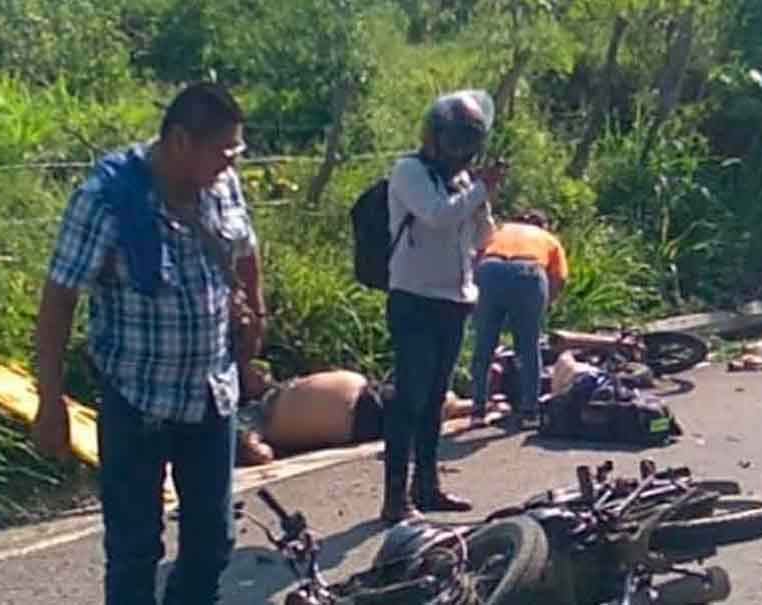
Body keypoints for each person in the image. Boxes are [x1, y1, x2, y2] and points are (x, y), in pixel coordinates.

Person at [32, 82, 260, 605]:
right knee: (136, 550)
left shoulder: (220, 186)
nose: (230, 164)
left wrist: (254, 308)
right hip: (138, 401)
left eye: (235, 153)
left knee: (213, 542)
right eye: (222, 151)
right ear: (180, 141)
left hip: (210, 394)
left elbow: (245, 249)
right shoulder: (106, 200)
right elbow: (58, 300)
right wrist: (51, 401)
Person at [382, 89, 506, 523]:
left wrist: (481, 198)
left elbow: (482, 238)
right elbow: (435, 215)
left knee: (435, 398)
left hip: (453, 301)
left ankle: (428, 486)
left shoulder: (463, 183)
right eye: (454, 141)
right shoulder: (409, 171)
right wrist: (477, 192)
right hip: (414, 299)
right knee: (409, 398)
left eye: (468, 143)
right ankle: (395, 496)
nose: (460, 152)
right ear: (433, 137)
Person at [234, 363, 507, 466]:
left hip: (366, 395)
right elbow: (257, 453)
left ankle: (481, 403)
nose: (260, 373)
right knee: (416, 404)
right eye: (251, 372)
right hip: (356, 417)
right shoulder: (250, 414)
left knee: (417, 398)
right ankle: (484, 403)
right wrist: (254, 444)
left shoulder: (277, 391)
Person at [469, 209, 568, 428]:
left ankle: (477, 410)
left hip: (489, 269)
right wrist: (544, 304)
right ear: (543, 226)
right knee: (528, 347)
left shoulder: (499, 231)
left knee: (483, 345)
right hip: (528, 271)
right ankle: (529, 412)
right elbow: (559, 278)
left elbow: (474, 259)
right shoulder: (549, 239)